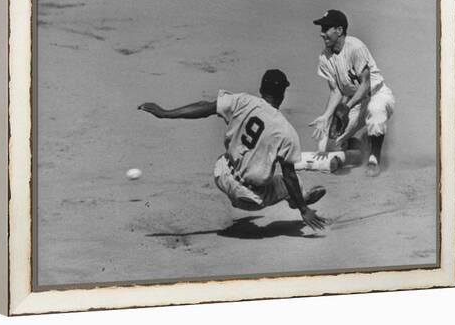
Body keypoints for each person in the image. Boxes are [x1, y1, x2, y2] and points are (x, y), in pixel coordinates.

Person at [138, 69, 327, 231]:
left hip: (221, 174)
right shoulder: (286, 131)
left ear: (261, 89)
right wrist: (304, 210)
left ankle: (296, 198)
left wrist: (166, 113)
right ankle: (298, 200)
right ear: (283, 95)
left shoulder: (242, 100)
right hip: (250, 197)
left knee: (235, 157)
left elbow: (205, 107)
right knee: (293, 182)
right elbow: (289, 176)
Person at [309, 9, 395, 177]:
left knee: (375, 111)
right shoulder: (324, 57)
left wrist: (346, 108)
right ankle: (359, 150)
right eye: (322, 29)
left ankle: (374, 159)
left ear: (339, 30)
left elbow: (365, 85)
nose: (322, 34)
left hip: (378, 95)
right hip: (356, 102)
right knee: (331, 147)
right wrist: (326, 116)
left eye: (326, 29)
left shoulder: (356, 47)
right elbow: (336, 91)